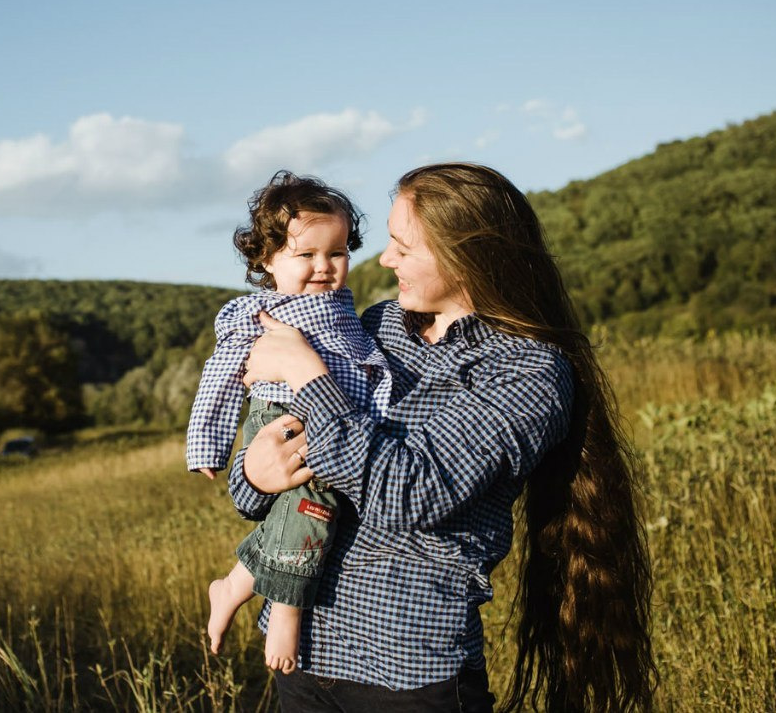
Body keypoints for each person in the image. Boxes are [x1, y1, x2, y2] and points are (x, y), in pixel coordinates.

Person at [233, 163, 656, 712]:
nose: (384, 260)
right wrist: (253, 477)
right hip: (304, 655)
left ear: (466, 257)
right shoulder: (377, 326)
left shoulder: (527, 372)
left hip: (410, 672)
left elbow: (408, 493)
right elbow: (278, 453)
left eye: (403, 248)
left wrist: (308, 373)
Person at [187, 170, 392, 673]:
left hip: (334, 412)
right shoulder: (256, 315)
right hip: (283, 412)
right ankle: (286, 609)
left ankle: (236, 583)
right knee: (314, 500)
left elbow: (364, 361)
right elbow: (219, 381)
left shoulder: (348, 311)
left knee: (321, 504)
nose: (324, 267)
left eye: (338, 253)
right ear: (267, 258)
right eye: (306, 255)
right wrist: (206, 447)